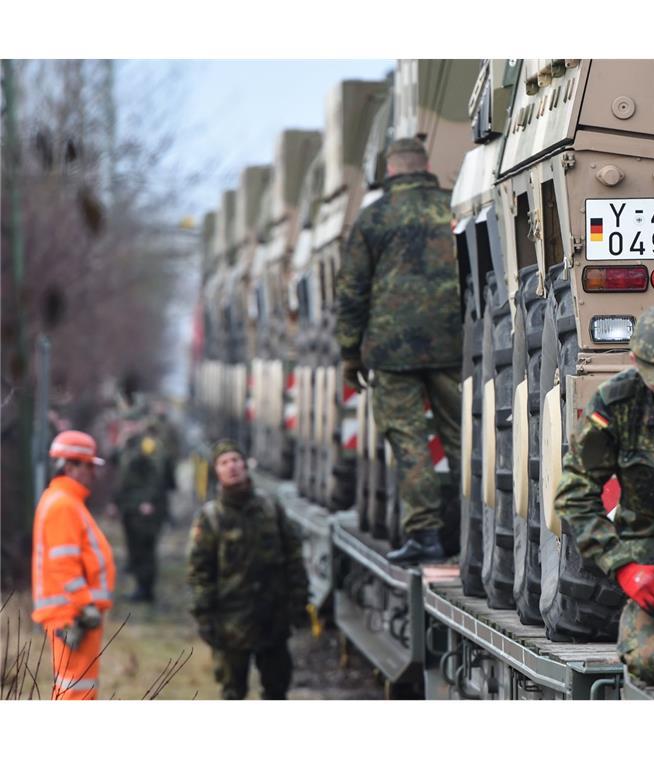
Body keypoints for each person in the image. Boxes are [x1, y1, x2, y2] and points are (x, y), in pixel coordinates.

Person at [555, 304, 654, 686]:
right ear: (634, 362)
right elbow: (574, 495)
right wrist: (623, 566)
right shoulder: (616, 404)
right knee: (651, 663)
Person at [335, 137, 463, 565]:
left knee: (409, 441)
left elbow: (352, 292)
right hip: (452, 340)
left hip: (391, 349)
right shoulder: (455, 205)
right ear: (425, 166)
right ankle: (476, 530)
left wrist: (350, 355)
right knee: (464, 437)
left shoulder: (374, 218)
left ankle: (425, 535)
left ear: (389, 170)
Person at [187, 440, 309, 699]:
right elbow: (200, 572)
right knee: (233, 693)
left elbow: (293, 556)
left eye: (235, 461)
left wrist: (298, 602)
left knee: (276, 690)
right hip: (231, 624)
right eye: (223, 463)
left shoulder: (270, 508)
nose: (231, 467)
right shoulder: (210, 518)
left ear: (245, 466)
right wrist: (205, 617)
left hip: (272, 620)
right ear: (216, 472)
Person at [31, 430, 117, 700]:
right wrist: (84, 605)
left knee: (73, 688)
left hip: (73, 613)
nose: (93, 472)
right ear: (69, 466)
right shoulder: (63, 505)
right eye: (89, 465)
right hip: (74, 615)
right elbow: (64, 564)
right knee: (76, 691)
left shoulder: (66, 502)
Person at [110, 409, 173, 602]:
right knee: (133, 546)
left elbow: (157, 475)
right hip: (129, 505)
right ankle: (140, 585)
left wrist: (149, 501)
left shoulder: (148, 445)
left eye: (132, 424)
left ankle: (146, 589)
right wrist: (115, 502)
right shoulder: (126, 445)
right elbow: (116, 471)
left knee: (145, 547)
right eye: (126, 424)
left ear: (139, 425)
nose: (128, 427)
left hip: (144, 506)